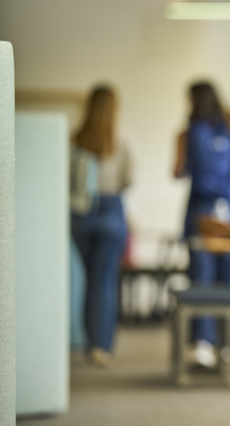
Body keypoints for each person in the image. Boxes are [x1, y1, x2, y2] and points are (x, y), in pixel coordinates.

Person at [173, 81, 230, 367]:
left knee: (200, 278)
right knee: (228, 278)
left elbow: (177, 170)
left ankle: (203, 346)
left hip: (201, 212)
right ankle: (227, 347)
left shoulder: (187, 133)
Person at [71, 84, 133, 367]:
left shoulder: (75, 139)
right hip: (111, 209)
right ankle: (101, 346)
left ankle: (89, 342)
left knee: (89, 280)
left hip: (81, 213)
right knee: (104, 281)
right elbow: (129, 180)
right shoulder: (123, 140)